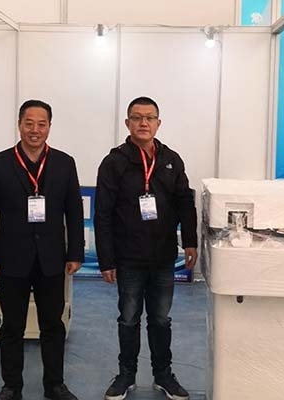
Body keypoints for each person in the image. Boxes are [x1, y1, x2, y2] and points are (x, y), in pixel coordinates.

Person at [0, 99, 84, 400]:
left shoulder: (64, 163)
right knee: (12, 327)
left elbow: (74, 211)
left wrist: (75, 252)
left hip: (52, 259)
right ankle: (12, 386)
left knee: (53, 325)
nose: (35, 130)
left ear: (49, 126)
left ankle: (55, 385)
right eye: (29, 123)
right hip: (12, 258)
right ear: (19, 124)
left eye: (41, 124)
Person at [94, 96, 198, 400]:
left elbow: (185, 203)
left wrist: (190, 240)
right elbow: (103, 214)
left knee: (161, 319)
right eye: (137, 117)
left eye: (149, 118)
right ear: (127, 123)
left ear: (158, 123)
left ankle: (163, 375)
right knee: (128, 318)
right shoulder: (114, 162)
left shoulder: (171, 160)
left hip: (163, 257)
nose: (143, 123)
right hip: (128, 258)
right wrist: (106, 260)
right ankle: (126, 375)